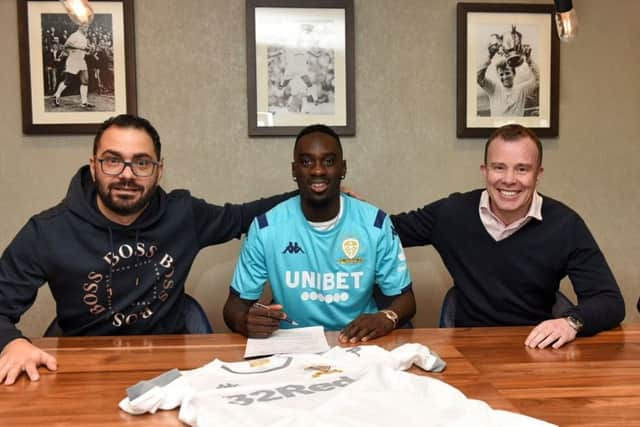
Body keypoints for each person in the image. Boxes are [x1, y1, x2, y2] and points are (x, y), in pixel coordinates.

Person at [0, 114, 293, 385]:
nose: (127, 175)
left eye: (141, 163)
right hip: (84, 369)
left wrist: (317, 192)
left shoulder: (183, 215)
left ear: (158, 170)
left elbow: (243, 216)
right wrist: (12, 343)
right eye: (113, 160)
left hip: (170, 368)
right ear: (93, 166)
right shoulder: (49, 230)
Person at [391, 124, 625, 349]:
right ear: (485, 171)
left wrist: (571, 323)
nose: (509, 179)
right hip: (467, 348)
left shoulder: (566, 224)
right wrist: (354, 208)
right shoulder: (451, 213)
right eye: (499, 167)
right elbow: (381, 230)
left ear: (538, 174)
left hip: (536, 349)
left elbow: (609, 301)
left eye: (522, 169)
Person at [223, 124, 415, 343]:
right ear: (294, 170)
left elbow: (406, 299)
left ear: (343, 168)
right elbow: (233, 307)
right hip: (289, 344)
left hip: (358, 343)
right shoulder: (265, 227)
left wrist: (386, 316)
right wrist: (244, 321)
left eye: (329, 161)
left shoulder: (376, 224)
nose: (317, 170)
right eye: (306, 162)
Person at [477, 33, 539, 117]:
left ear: (514, 74)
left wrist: (529, 59)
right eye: (501, 74)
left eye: (507, 73)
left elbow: (538, 80)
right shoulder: (493, 88)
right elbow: (479, 78)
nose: (504, 77)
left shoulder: (521, 90)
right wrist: (490, 56)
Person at [51, 23, 94, 108]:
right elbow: (66, 45)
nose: (86, 28)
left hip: (81, 60)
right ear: (80, 27)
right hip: (73, 60)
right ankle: (56, 95)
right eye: (85, 27)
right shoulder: (75, 35)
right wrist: (82, 48)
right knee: (67, 81)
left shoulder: (84, 37)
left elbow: (85, 50)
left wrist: (90, 49)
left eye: (87, 27)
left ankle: (84, 102)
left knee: (85, 80)